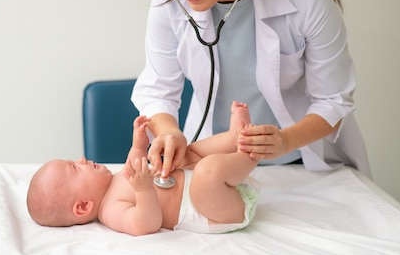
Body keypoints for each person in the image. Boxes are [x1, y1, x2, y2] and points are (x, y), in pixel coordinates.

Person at [131, 0, 370, 180]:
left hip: (298, 164)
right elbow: (158, 88)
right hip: (210, 165)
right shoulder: (168, 0)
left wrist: (285, 141)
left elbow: (334, 100)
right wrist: (168, 132)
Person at [27, 101, 259, 236]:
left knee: (189, 152)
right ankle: (249, 154)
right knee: (206, 172)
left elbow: (135, 162)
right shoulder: (110, 210)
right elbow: (145, 225)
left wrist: (139, 143)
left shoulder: (116, 179)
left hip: (210, 189)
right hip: (215, 211)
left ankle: (232, 138)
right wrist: (144, 190)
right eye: (75, 169)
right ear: (83, 206)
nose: (81, 159)